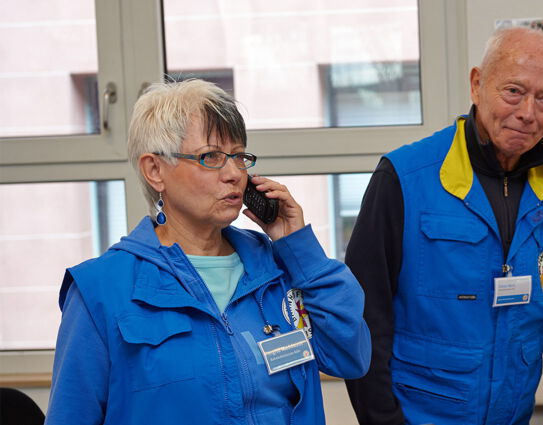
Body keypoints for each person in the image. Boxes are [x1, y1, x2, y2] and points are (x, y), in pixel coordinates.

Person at [46, 79, 371, 425]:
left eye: (239, 156)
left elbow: (349, 356)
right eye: (211, 157)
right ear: (155, 170)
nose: (234, 174)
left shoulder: (278, 267)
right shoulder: (101, 290)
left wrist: (300, 247)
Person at [344, 27, 543, 425]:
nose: (528, 112)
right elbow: (363, 315)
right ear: (477, 84)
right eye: (513, 91)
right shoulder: (405, 177)